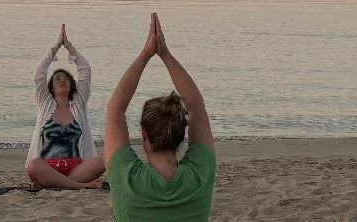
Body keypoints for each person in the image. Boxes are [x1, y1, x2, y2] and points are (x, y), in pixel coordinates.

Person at [105, 13, 216, 221]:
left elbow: (115, 109)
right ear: (181, 136)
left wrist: (146, 53)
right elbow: (196, 106)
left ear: (144, 136)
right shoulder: (199, 175)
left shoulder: (127, 179)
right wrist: (165, 54)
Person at [25, 24, 106, 189]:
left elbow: (86, 71)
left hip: (75, 168)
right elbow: (39, 73)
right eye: (57, 78)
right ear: (51, 87)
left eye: (66, 78)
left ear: (71, 86)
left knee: (99, 163)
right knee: (33, 165)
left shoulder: (78, 103)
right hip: (48, 167)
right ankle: (80, 186)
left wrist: (69, 47)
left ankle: (57, 184)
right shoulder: (45, 103)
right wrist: (56, 47)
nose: (62, 80)